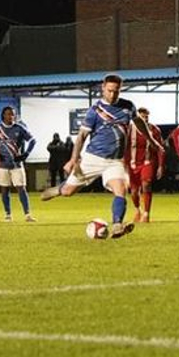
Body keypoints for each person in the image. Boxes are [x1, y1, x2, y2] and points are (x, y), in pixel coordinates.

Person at [41, 73, 136, 239]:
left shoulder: (128, 107)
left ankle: (117, 225)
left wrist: (149, 136)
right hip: (93, 158)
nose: (112, 94)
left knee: (121, 190)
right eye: (109, 90)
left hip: (115, 161)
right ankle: (58, 190)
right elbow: (81, 137)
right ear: (103, 88)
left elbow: (138, 122)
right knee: (68, 191)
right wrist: (73, 159)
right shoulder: (95, 111)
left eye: (116, 91)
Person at [0, 105, 37, 222]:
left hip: (17, 164)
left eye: (13, 114)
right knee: (4, 190)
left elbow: (33, 140)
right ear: (3, 115)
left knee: (21, 188)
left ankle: (27, 215)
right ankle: (7, 214)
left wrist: (26, 154)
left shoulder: (19, 128)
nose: (11, 116)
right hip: (2, 165)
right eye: (8, 114)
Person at [124, 106, 165, 223]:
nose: (145, 119)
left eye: (146, 117)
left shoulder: (155, 130)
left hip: (147, 162)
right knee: (133, 190)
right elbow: (125, 148)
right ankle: (138, 210)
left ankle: (146, 213)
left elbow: (160, 149)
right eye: (142, 117)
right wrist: (124, 164)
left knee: (146, 184)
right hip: (132, 163)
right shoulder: (129, 130)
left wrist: (161, 166)